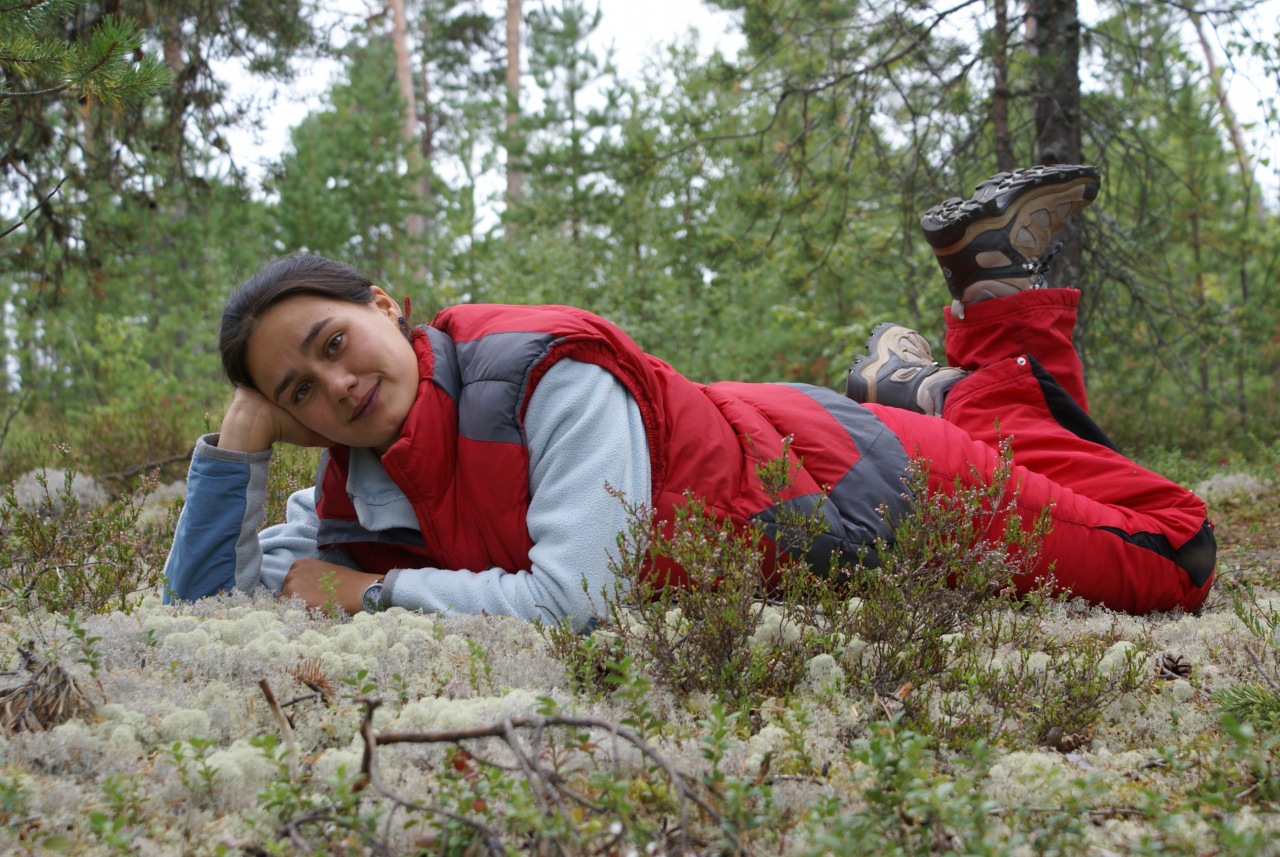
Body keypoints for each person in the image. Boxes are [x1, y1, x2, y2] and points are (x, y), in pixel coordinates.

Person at [164, 164, 1216, 629]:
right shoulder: (357, 485)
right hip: (776, 452)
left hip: (859, 482)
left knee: (1173, 553)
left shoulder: (538, 375)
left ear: (387, 307)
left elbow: (577, 603)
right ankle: (947, 366)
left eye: (333, 343)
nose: (338, 384)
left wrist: (370, 595)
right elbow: (205, 609)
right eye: (300, 389)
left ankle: (935, 394)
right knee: (1081, 496)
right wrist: (242, 433)